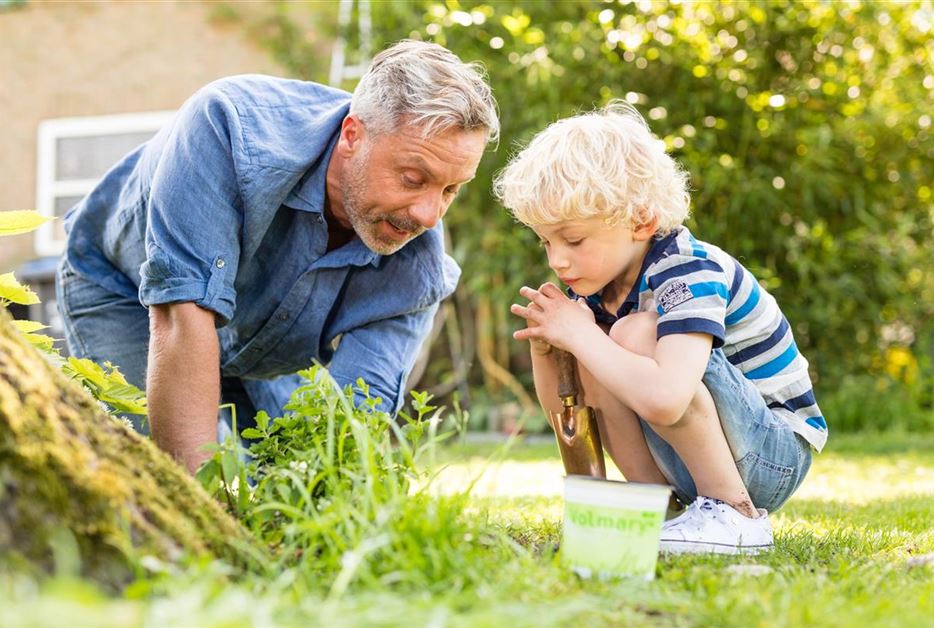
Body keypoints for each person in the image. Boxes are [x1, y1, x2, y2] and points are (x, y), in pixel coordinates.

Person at [55, 40, 499, 474]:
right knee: (162, 481)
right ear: (352, 136)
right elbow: (180, 316)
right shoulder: (227, 128)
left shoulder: (417, 263)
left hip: (259, 347)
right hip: (124, 293)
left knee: (281, 486)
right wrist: (203, 510)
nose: (428, 213)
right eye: (412, 178)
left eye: (450, 190)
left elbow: (358, 410)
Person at [497, 102, 826, 554]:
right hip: (685, 461)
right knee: (602, 350)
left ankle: (735, 514)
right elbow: (571, 409)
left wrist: (583, 336)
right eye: (546, 241)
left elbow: (668, 396)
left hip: (769, 455)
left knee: (631, 336)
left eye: (573, 239)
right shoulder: (594, 289)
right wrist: (552, 350)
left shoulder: (688, 269)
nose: (557, 260)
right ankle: (661, 510)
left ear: (641, 221)